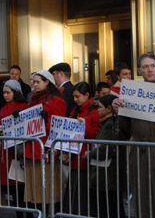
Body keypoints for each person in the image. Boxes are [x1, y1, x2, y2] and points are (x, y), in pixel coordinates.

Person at [112, 53, 155, 218]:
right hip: (140, 155)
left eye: (152, 66)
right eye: (145, 67)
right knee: (143, 196)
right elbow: (125, 129)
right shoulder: (132, 92)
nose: (149, 69)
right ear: (139, 70)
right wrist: (118, 111)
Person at [24, 70, 66, 212]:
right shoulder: (33, 99)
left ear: (47, 82)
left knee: (47, 189)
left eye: (37, 82)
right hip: (33, 148)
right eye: (33, 82)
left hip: (47, 150)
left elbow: (59, 127)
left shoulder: (57, 100)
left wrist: (47, 119)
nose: (34, 85)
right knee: (35, 189)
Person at [62, 82, 101, 216]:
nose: (75, 100)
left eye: (78, 96)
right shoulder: (75, 110)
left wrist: (84, 126)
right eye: (73, 97)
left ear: (87, 95)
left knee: (83, 196)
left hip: (86, 160)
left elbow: (97, 134)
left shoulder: (95, 111)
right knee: (74, 193)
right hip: (75, 157)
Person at [88, 94, 126, 218]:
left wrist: (90, 153)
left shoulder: (110, 125)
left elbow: (105, 149)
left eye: (100, 107)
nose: (98, 111)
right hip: (105, 175)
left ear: (109, 108)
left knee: (110, 208)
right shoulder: (106, 123)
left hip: (108, 175)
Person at [0, 79, 28, 217]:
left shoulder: (24, 106)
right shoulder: (3, 108)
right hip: (7, 151)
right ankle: (19, 214)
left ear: (15, 92)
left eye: (8, 92)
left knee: (22, 185)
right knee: (14, 187)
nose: (5, 95)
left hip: (19, 151)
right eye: (3, 92)